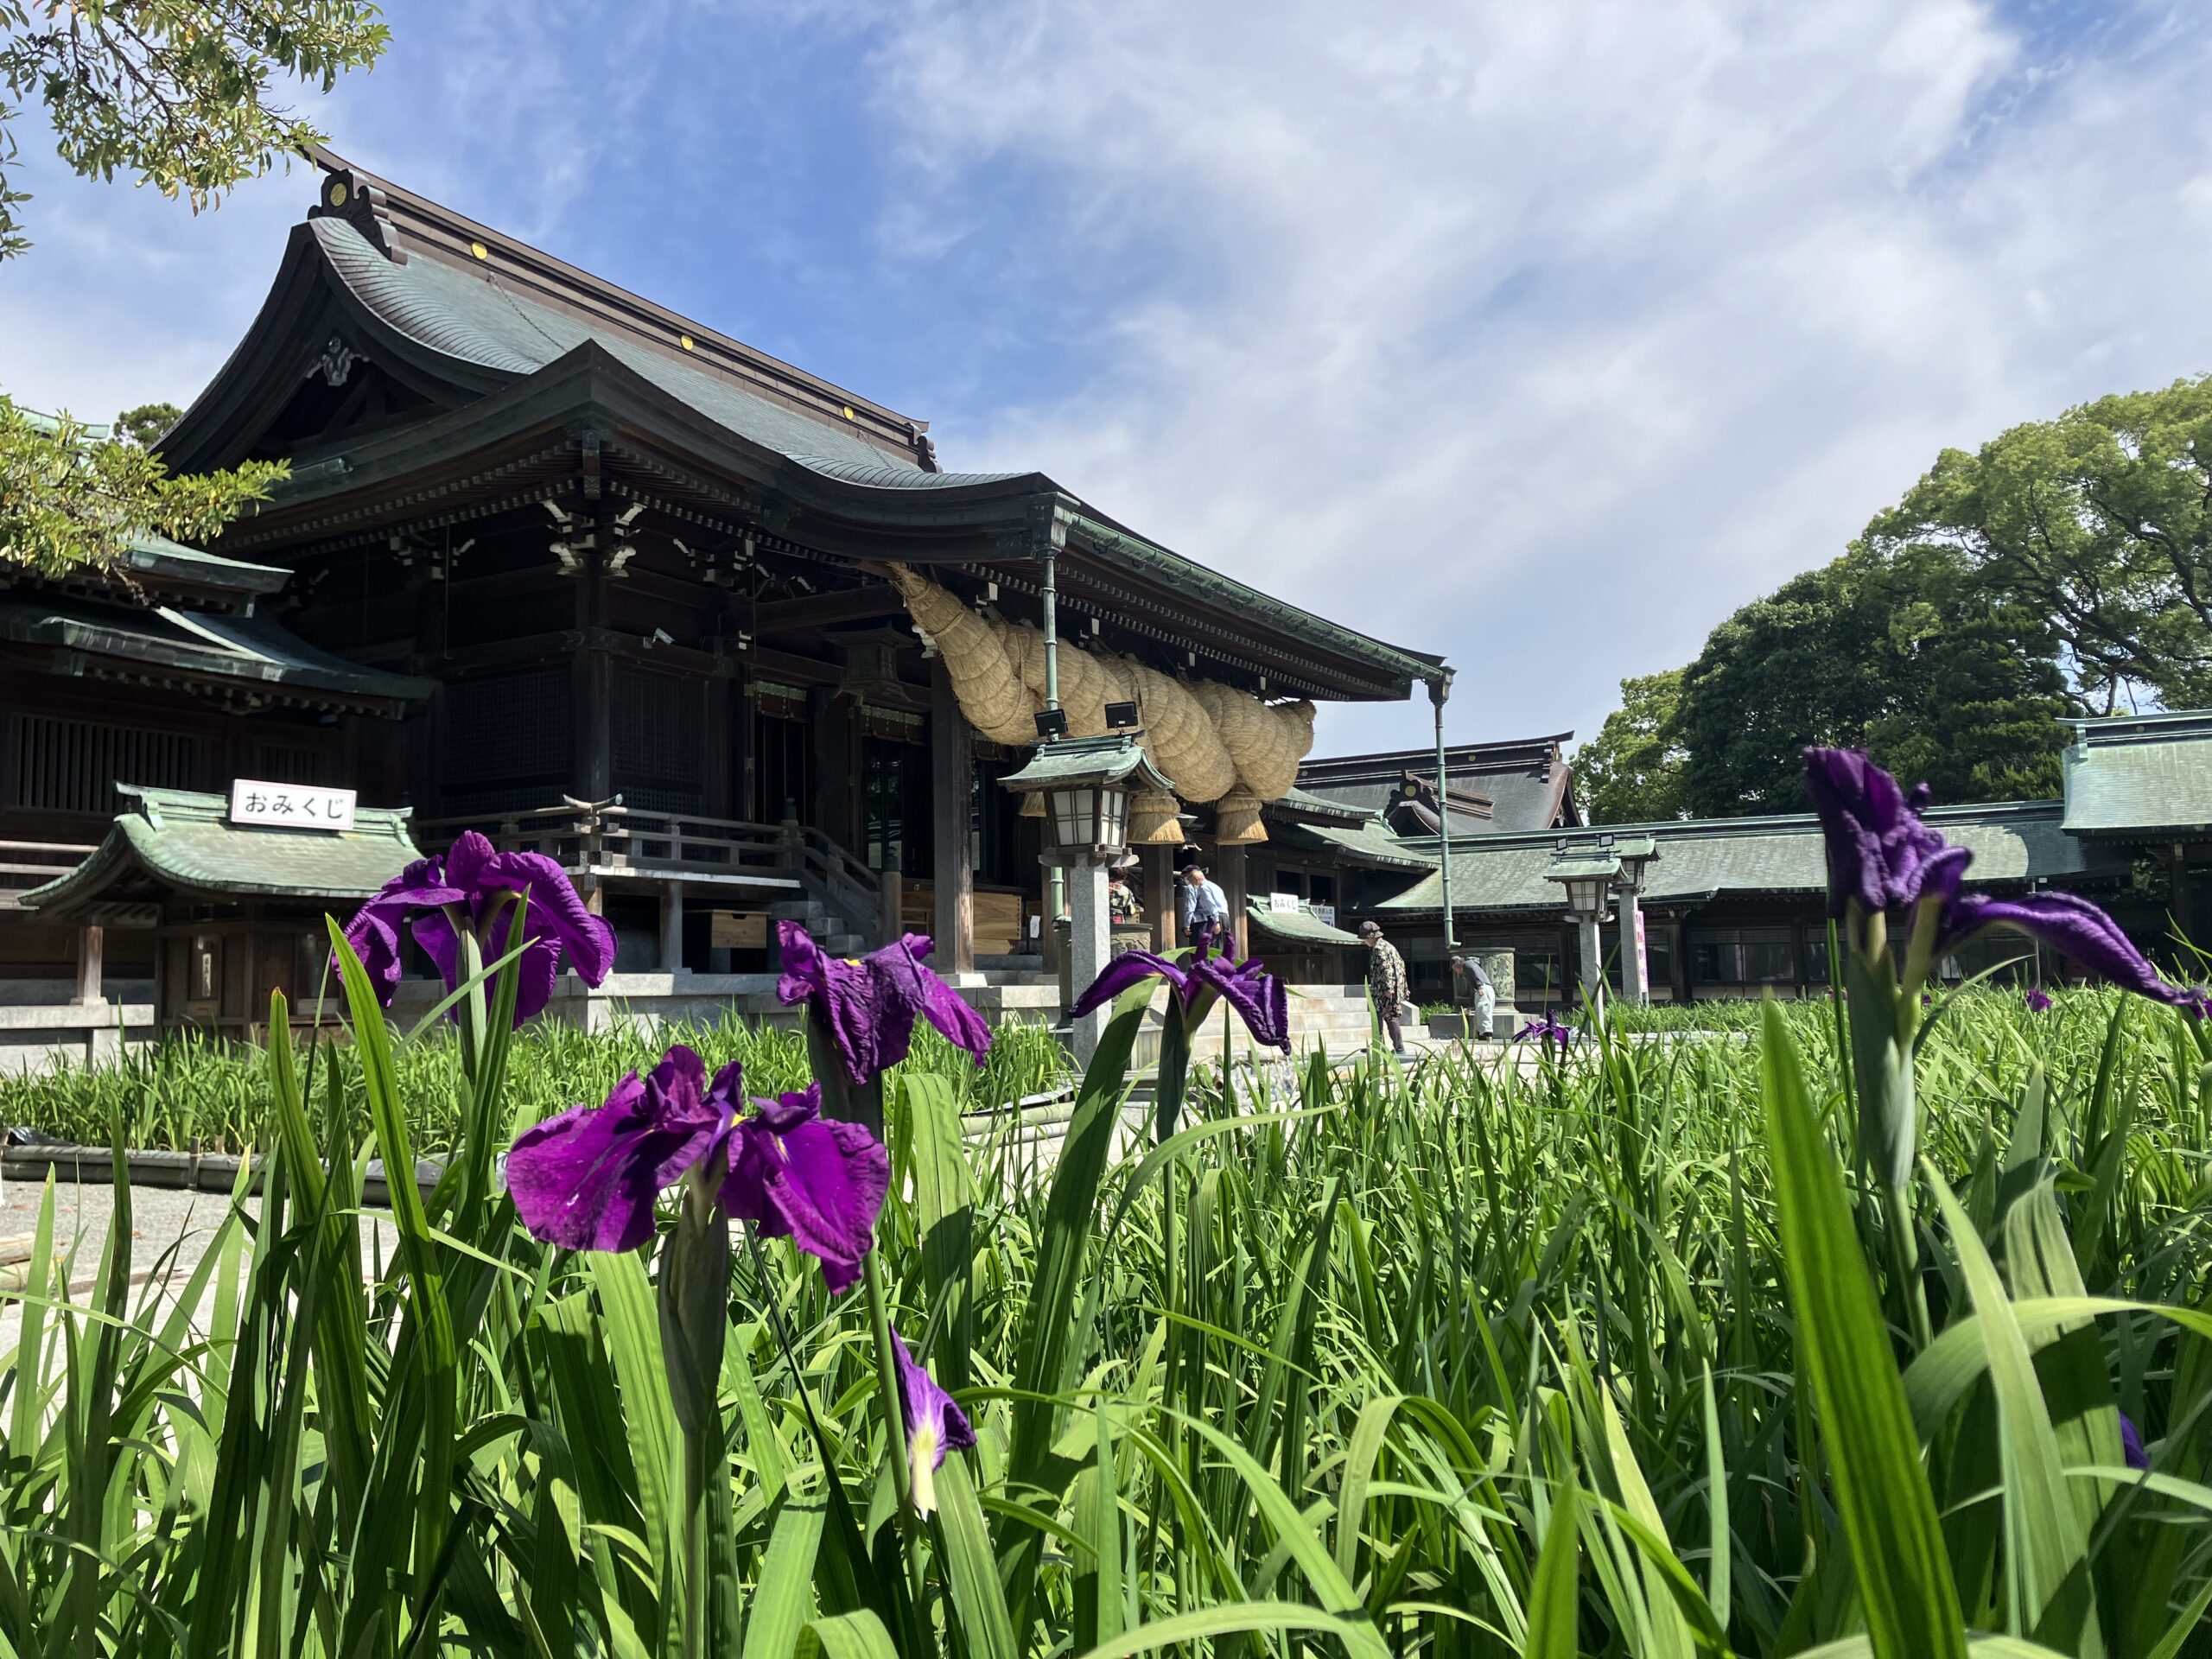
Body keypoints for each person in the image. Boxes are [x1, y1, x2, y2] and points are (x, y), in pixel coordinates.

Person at [1358, 920, 1410, 1057]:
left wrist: (1388, 988)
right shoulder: (1388, 946)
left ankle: (1399, 1048)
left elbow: (1386, 969)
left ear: (1370, 937)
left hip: (1384, 990)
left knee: (1390, 1017)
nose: (1364, 941)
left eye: (1364, 938)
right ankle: (1379, 1046)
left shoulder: (1379, 949)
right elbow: (1401, 966)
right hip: (1388, 989)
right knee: (1381, 1016)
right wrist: (1403, 988)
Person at [1178, 862, 1230, 950]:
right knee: (1221, 945)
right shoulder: (1214, 886)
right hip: (1224, 916)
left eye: (1190, 880)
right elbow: (1224, 903)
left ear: (1196, 879)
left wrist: (1216, 921)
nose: (1190, 883)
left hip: (1213, 918)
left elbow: (1210, 905)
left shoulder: (1202, 888)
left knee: (1212, 948)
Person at [1451, 950, 1495, 1039]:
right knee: (1481, 1013)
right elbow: (1472, 989)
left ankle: (1486, 1034)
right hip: (1482, 990)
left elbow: (1476, 974)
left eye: (1455, 969)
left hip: (1483, 989)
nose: (1456, 972)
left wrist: (1480, 986)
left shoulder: (1468, 964)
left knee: (1484, 1012)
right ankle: (1482, 1034)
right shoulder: (1467, 969)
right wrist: (1471, 1005)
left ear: (1457, 965)